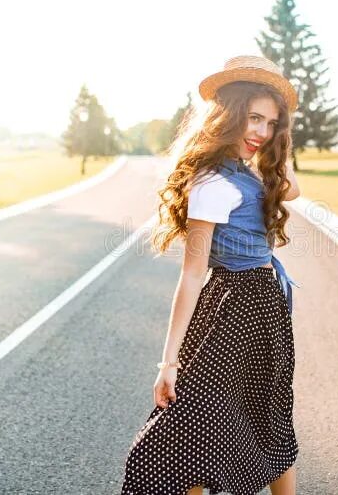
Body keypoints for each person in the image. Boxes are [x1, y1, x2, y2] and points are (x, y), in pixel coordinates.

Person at [119, 55, 302, 495]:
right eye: (253, 118)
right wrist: (169, 362)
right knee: (189, 433)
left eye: (271, 123)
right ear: (230, 114)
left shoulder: (246, 173)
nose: (260, 131)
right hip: (236, 308)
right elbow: (191, 274)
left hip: (263, 308)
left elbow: (292, 188)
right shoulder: (211, 183)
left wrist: (282, 145)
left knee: (265, 421)